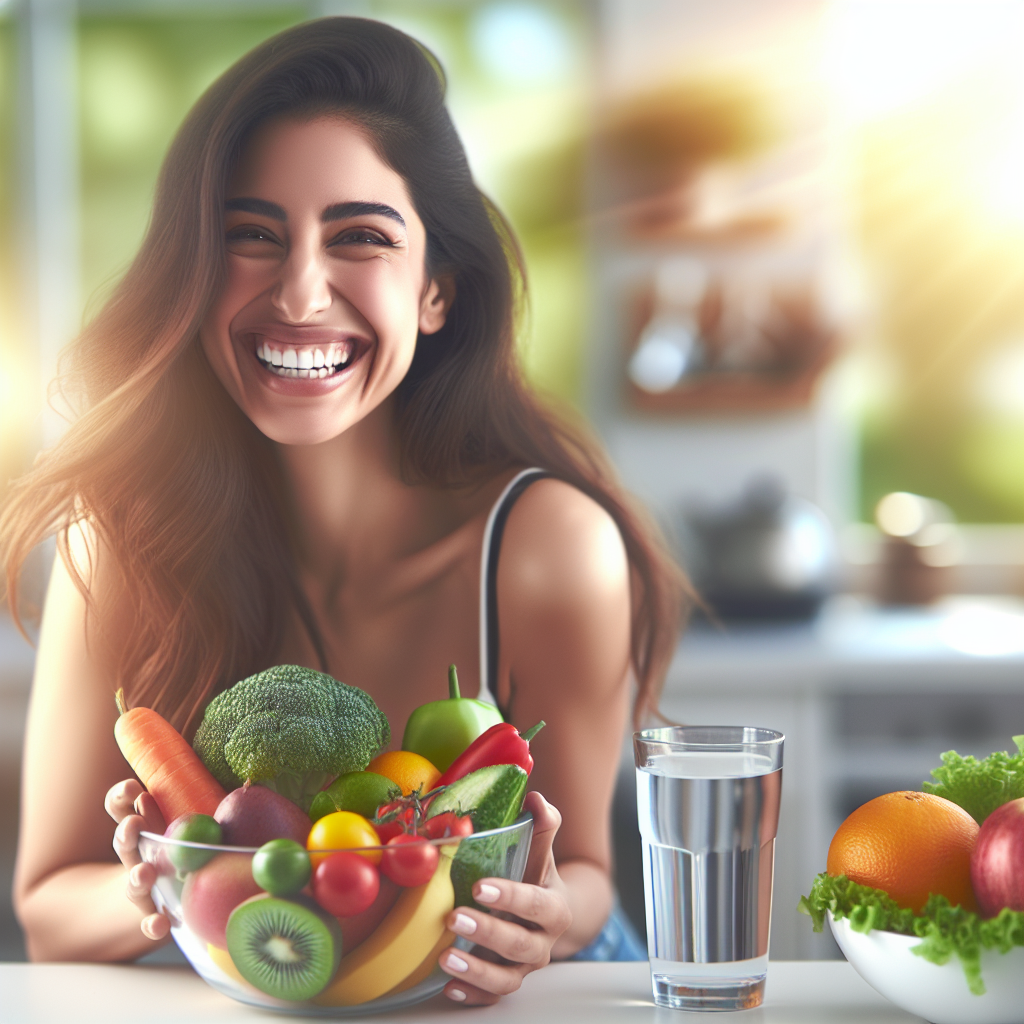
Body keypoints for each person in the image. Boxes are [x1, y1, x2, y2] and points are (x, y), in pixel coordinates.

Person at [1, 17, 686, 1004]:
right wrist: (160, 882)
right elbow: (48, 905)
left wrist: (541, 913)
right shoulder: (120, 540)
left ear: (437, 290)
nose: (299, 294)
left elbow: (583, 874)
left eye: (359, 237)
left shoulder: (546, 544)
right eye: (250, 236)